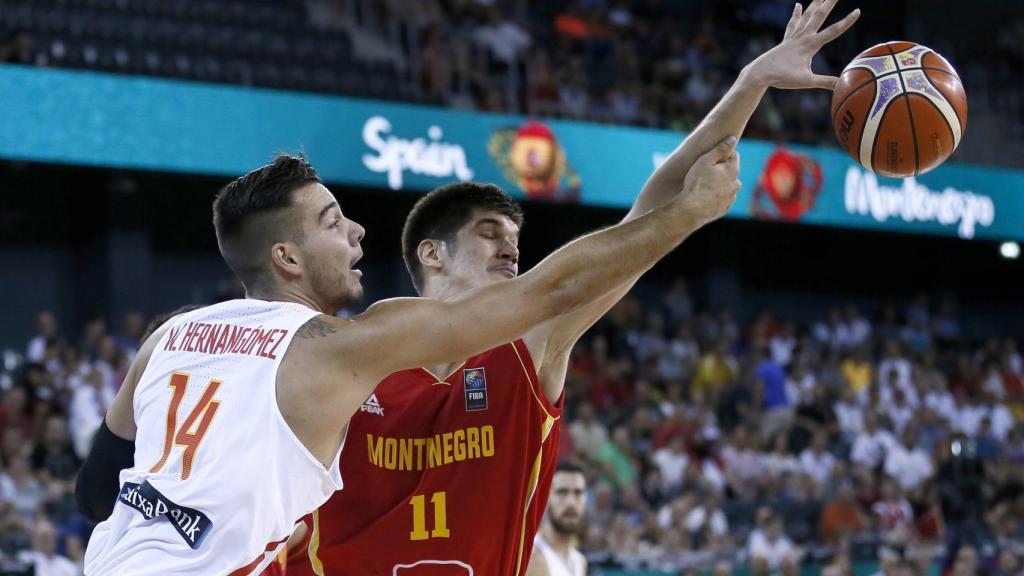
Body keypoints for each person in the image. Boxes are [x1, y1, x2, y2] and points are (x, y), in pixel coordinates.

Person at [289, 1, 858, 574]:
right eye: (489, 234)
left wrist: (752, 81)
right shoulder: (354, 354)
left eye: (514, 236)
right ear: (432, 254)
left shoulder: (529, 343)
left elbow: (649, 207)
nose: (510, 248)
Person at [77, 121, 739, 575]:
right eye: (334, 222)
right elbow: (547, 294)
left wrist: (178, 512)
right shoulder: (333, 350)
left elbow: (95, 490)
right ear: (287, 257)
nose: (358, 232)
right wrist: (688, 215)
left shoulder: (171, 336)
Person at [526, 461, 588, 576]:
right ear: (546, 497)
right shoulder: (532, 558)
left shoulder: (579, 561)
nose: (571, 502)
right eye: (562, 492)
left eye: (578, 493)